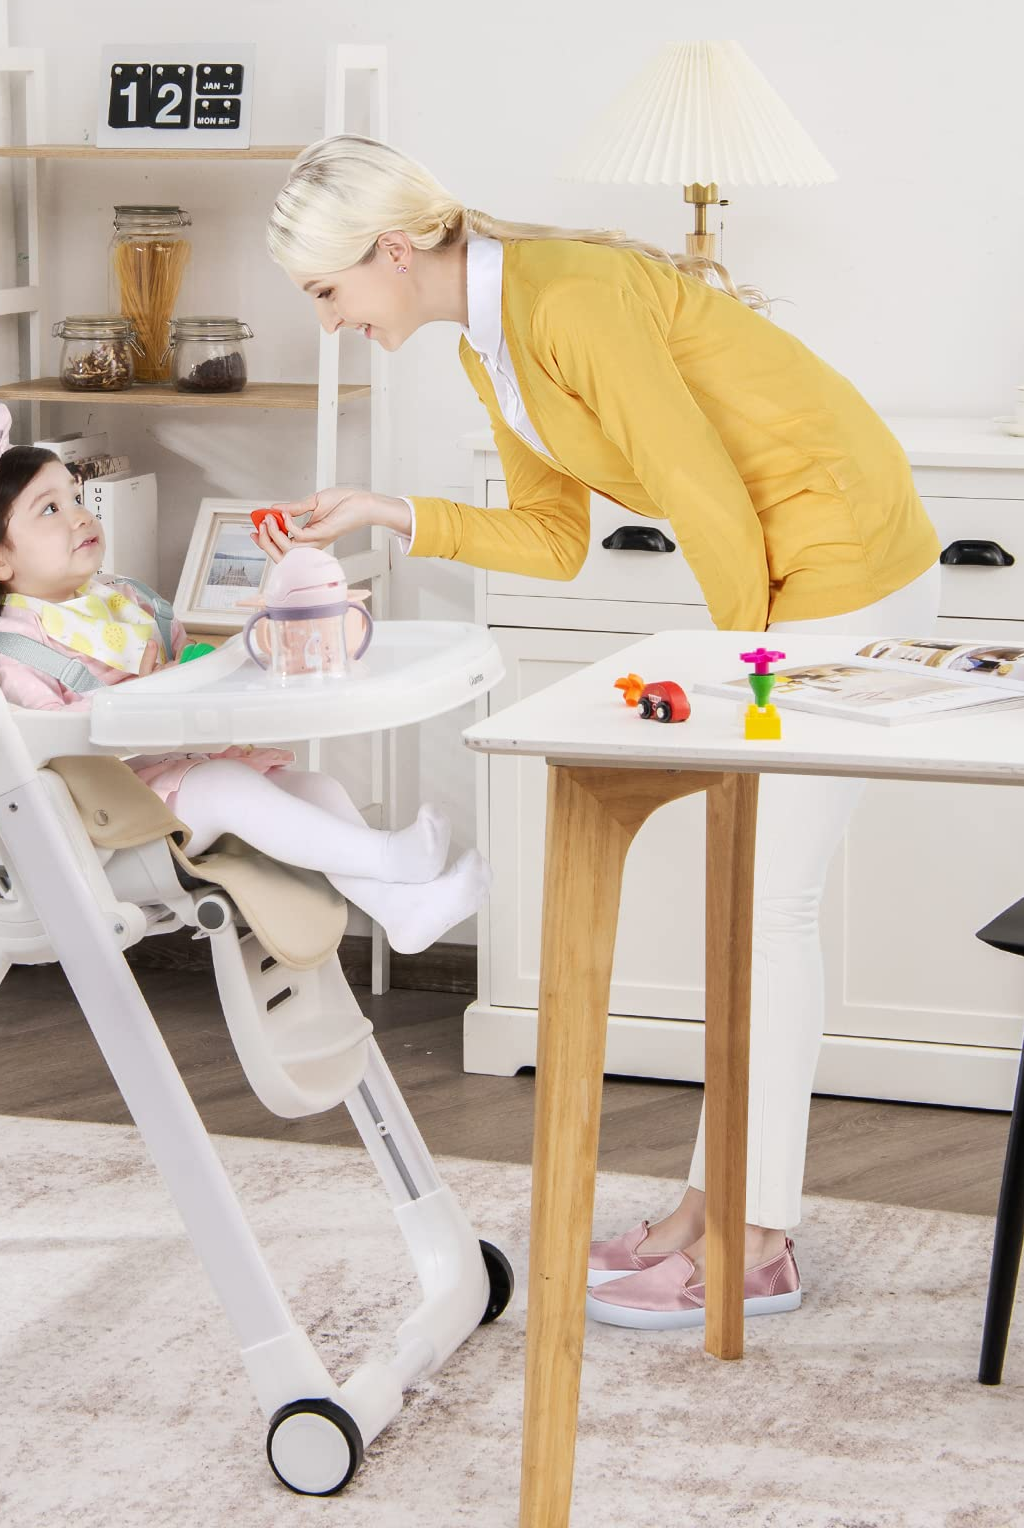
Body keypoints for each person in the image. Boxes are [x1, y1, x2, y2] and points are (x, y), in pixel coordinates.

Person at [258, 134, 942, 1329]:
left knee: (766, 901)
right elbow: (551, 538)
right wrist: (387, 511)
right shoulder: (495, 338)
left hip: (838, 561)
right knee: (748, 899)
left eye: (326, 293)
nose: (327, 322)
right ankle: (711, 1208)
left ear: (391, 252)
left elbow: (707, 499)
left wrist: (742, 688)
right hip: (783, 578)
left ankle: (758, 1238)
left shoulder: (564, 297)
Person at [0, 405, 492, 957]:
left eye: (76, 498)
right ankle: (393, 859)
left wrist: (206, 663)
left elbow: (187, 666)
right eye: (49, 510)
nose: (79, 515)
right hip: (108, 820)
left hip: (174, 774)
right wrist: (136, 697)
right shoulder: (17, 646)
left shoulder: (122, 599)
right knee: (227, 787)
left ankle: (403, 911)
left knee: (318, 789)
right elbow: (38, 742)